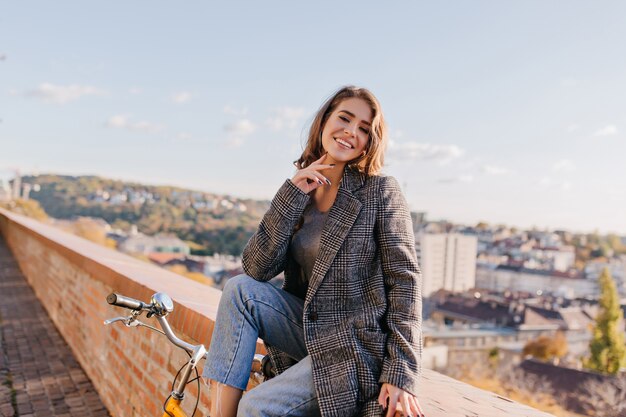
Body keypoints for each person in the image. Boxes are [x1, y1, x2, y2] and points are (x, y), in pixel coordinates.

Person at [203, 86, 424, 417]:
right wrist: (290, 195)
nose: (351, 132)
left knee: (255, 407)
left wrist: (402, 374)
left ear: (371, 140)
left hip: (353, 348)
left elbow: (405, 282)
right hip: (308, 333)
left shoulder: (380, 191)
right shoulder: (302, 191)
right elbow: (257, 268)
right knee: (239, 290)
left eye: (364, 129)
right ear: (325, 121)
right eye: (345, 118)